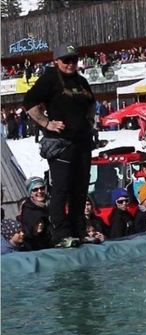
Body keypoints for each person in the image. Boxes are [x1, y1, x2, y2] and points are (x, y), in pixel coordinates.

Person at [22, 44, 95, 248]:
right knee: (61, 188)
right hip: (61, 144)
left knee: (80, 189)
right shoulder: (50, 78)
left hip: (82, 142)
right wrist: (46, 123)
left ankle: (78, 231)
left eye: (74, 60)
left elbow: (91, 103)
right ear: (56, 61)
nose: (71, 64)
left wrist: (90, 120)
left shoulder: (81, 81)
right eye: (66, 60)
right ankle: (61, 234)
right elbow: (29, 102)